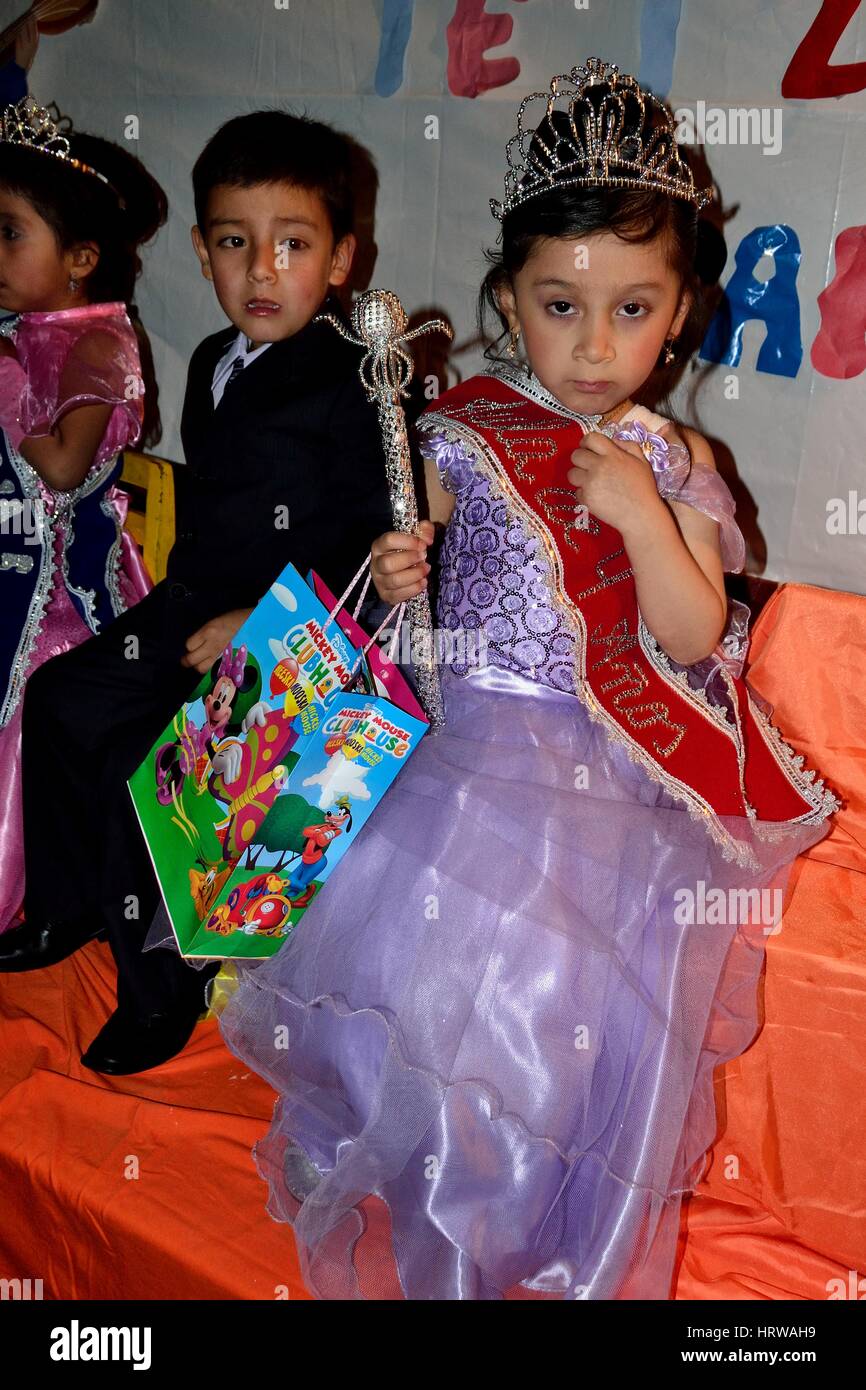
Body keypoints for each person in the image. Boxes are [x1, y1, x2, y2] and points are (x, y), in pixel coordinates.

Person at [215, 57, 839, 1300]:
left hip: (596, 792)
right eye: (559, 307)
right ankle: (415, 1176)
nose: (593, 346)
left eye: (630, 311)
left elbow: (686, 629)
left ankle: (514, 1221)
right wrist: (401, 566)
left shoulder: (673, 454)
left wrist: (645, 516)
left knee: (543, 1030)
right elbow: (419, 565)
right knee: (410, 996)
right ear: (508, 298)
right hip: (457, 756)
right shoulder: (464, 425)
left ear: (679, 316)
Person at [0, 109, 393, 1076]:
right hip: (193, 604)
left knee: (155, 766)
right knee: (61, 702)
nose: (261, 270)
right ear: (203, 252)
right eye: (234, 243)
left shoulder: (357, 387)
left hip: (301, 634)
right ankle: (65, 903)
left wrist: (262, 624)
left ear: (341, 260)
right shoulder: (216, 360)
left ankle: (162, 987)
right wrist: (195, 604)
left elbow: (371, 548)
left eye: (292, 245)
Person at [0, 95, 163, 934]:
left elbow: (62, 467)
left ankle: (48, 901)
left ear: (80, 258)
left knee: (35, 722)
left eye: (8, 232)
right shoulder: (23, 330)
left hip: (63, 602)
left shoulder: (96, 342)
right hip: (9, 580)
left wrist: (5, 379)